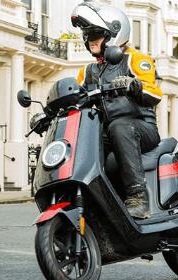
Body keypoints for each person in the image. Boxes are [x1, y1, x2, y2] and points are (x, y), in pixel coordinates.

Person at [71, 1, 162, 219]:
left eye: (95, 34)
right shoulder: (88, 71)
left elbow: (154, 94)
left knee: (120, 126)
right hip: (109, 132)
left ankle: (138, 197)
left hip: (142, 128)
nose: (89, 40)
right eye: (87, 35)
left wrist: (134, 85)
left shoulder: (135, 60)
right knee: (83, 142)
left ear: (113, 34)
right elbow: (75, 97)